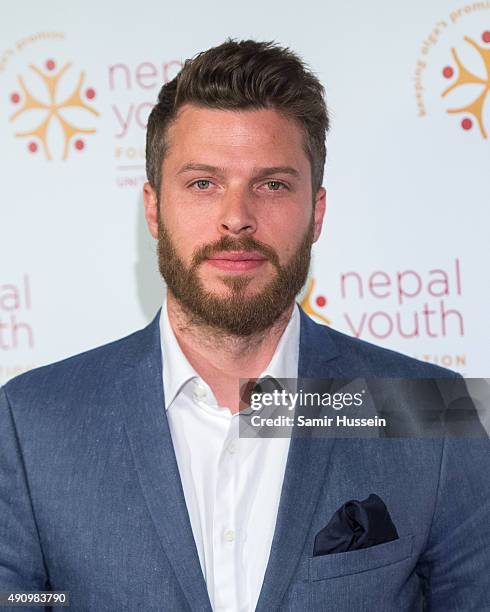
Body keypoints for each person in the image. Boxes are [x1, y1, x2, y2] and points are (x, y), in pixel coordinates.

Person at [0, 39, 488, 612]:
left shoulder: (433, 414)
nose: (238, 217)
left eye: (273, 184)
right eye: (203, 183)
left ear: (317, 212)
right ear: (154, 209)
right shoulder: (30, 423)